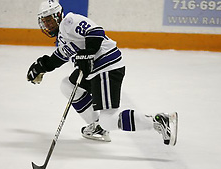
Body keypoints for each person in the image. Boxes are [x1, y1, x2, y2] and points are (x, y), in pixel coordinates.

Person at [27, 0, 178, 145]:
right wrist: (41, 67)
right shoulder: (62, 37)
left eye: (49, 20)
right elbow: (58, 58)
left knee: (109, 120)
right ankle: (96, 126)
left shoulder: (70, 22)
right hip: (95, 71)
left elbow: (96, 32)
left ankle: (157, 121)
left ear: (58, 16)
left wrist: (88, 53)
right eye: (44, 21)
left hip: (106, 67)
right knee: (67, 85)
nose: (47, 25)